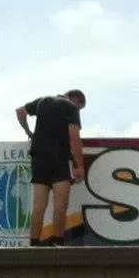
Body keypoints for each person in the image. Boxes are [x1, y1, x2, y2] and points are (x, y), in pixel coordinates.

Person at [15, 89, 87, 246]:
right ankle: (58, 242)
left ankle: (34, 243)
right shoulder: (71, 107)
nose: (79, 110)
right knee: (61, 204)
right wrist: (79, 166)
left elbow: (20, 112)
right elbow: (74, 136)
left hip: (39, 157)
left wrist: (28, 131)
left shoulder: (42, 100)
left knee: (39, 205)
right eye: (80, 108)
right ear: (77, 100)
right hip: (60, 157)